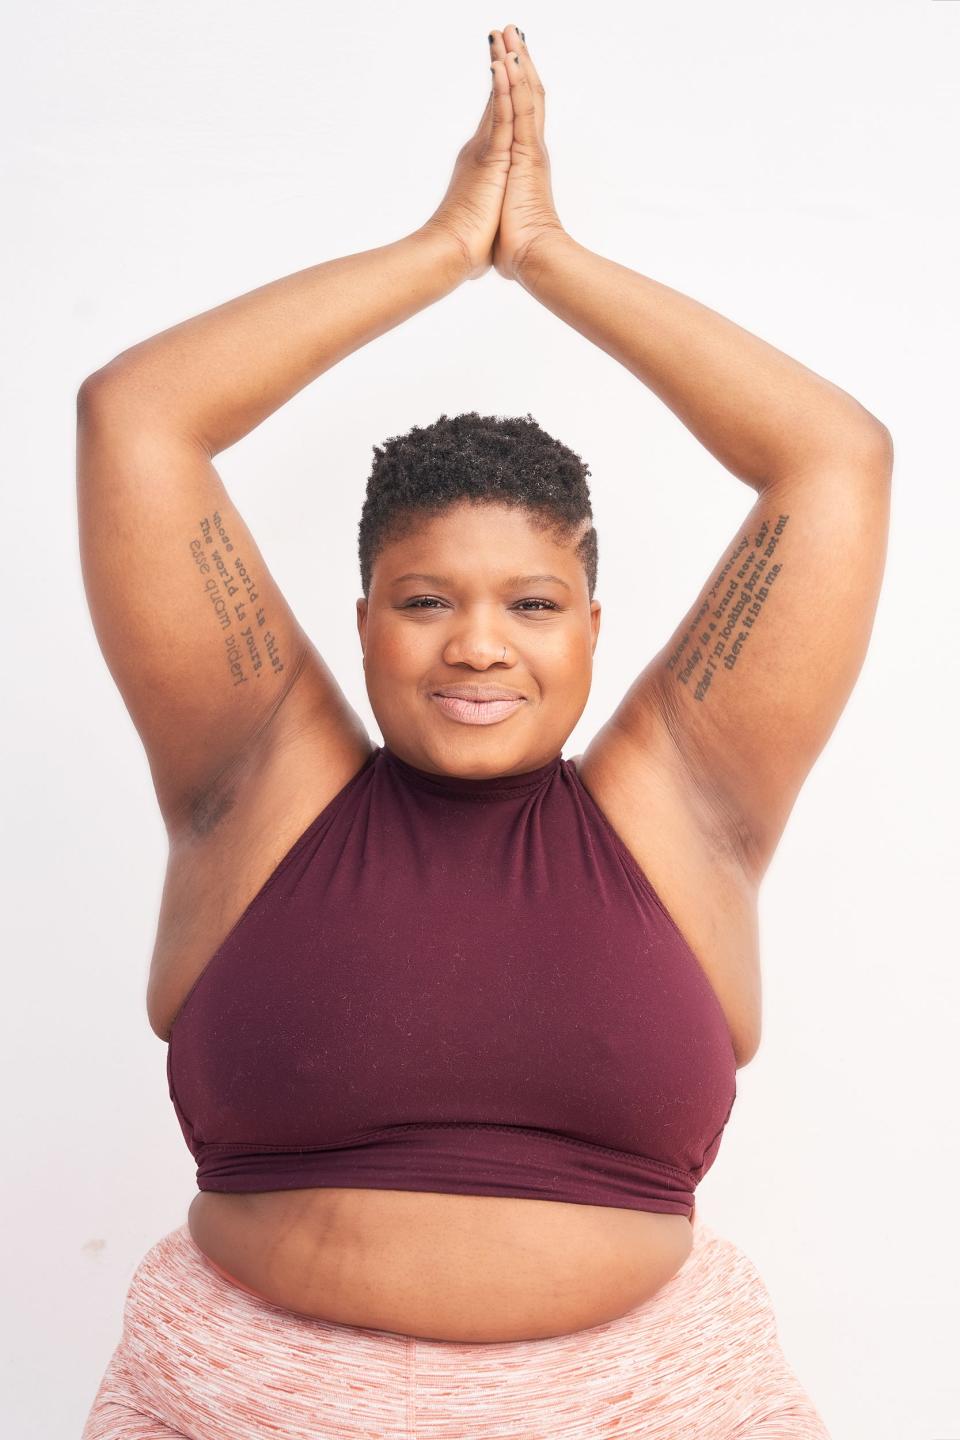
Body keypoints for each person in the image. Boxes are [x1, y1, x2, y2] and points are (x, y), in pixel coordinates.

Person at [77, 21, 890, 1439]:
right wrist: (447, 249)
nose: (476, 643)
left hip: (645, 1403)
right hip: (255, 1404)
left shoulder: (682, 802)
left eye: (532, 601)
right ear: (362, 617)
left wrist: (550, 258)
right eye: (423, 600)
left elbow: (836, 460)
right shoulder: (255, 778)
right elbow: (136, 416)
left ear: (593, 624)